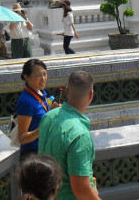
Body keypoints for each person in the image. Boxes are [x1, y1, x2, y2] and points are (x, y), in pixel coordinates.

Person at [39, 71, 100, 200]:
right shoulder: (79, 135)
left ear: (67, 90)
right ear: (91, 94)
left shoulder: (48, 117)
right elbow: (81, 189)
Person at [16, 59, 58, 159]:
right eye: (38, 75)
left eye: (45, 74)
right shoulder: (26, 102)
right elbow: (22, 138)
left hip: (45, 149)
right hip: (33, 156)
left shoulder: (40, 92)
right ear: (27, 77)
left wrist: (51, 110)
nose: (43, 79)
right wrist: (41, 130)